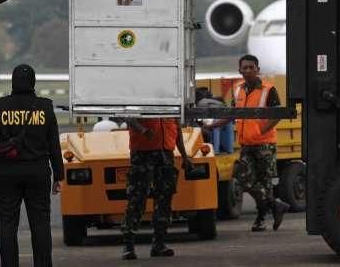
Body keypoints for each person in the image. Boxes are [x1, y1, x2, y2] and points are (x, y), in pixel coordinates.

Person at [0, 64, 63, 267]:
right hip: (38, 171)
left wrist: (7, 144)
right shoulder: (45, 107)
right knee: (40, 224)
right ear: (33, 82)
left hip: (7, 172)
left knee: (7, 225)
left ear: (12, 82)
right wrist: (58, 176)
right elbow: (54, 144)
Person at [205, 54, 289, 232]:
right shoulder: (237, 90)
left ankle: (260, 220)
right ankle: (276, 205)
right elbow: (232, 114)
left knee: (265, 182)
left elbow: (278, 114)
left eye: (252, 67)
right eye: (245, 67)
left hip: (265, 144)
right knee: (242, 178)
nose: (249, 70)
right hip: (246, 144)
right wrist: (213, 126)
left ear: (258, 69)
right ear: (240, 70)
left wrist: (263, 130)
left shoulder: (268, 89)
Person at [120, 118, 192, 260]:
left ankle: (159, 244)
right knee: (137, 199)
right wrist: (142, 130)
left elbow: (176, 126)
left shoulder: (172, 99)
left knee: (164, 199)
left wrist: (184, 155)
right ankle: (128, 245)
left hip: (166, 153)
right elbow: (127, 115)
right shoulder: (141, 96)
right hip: (142, 152)